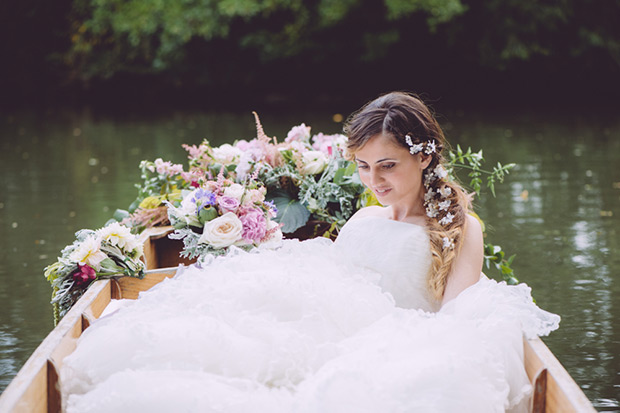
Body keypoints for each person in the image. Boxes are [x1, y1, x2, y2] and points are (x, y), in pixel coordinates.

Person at [60, 92, 560, 413]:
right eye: (363, 166)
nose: (374, 181)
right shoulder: (364, 218)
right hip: (327, 319)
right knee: (228, 328)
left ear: (424, 156)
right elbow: (330, 280)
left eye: (387, 165)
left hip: (390, 341)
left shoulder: (458, 228)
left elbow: (458, 319)